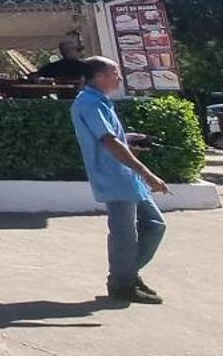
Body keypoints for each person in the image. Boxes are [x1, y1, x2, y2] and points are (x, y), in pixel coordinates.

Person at [72, 55, 169, 304]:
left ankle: (125, 275)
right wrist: (148, 174)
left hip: (125, 176)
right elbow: (109, 142)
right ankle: (121, 284)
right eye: (114, 72)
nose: (119, 76)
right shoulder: (89, 103)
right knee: (124, 235)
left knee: (155, 224)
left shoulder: (100, 102)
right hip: (114, 176)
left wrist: (132, 138)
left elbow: (113, 137)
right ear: (99, 76)